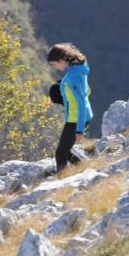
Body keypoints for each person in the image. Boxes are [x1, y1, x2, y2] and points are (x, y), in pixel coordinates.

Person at [47, 43, 93, 173]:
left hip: (76, 118)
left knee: (60, 154)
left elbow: (81, 103)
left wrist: (79, 130)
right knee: (65, 151)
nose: (54, 67)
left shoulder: (73, 76)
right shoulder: (79, 68)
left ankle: (62, 181)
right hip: (78, 116)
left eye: (54, 64)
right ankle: (86, 168)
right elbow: (87, 91)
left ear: (62, 60)